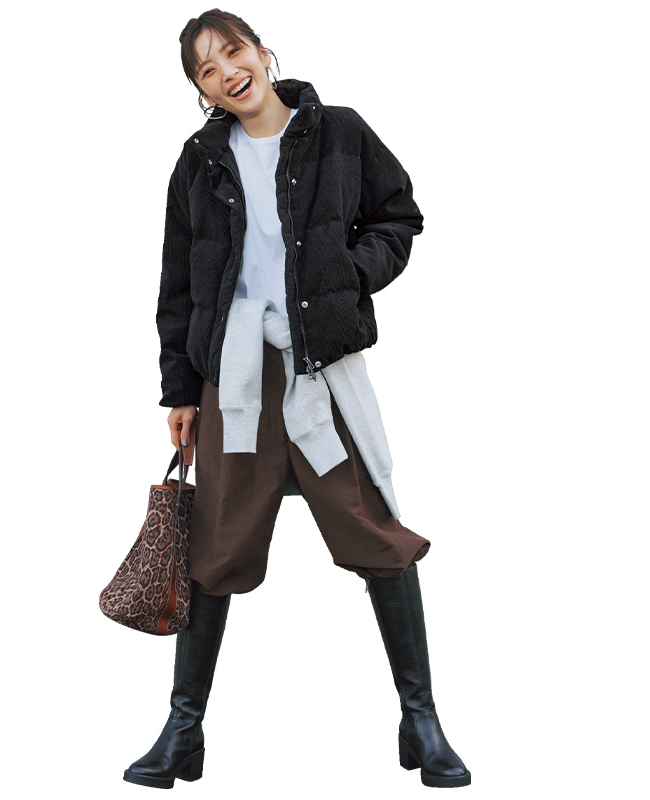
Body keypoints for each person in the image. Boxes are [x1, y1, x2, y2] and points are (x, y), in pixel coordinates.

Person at [123, 8, 471, 790]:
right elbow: (176, 282)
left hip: (320, 369)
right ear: (201, 90)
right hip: (234, 379)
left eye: (233, 52)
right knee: (214, 548)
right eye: (207, 70)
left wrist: (350, 275)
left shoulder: (338, 131)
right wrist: (180, 390)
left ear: (262, 51)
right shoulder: (198, 161)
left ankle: (421, 721)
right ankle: (183, 731)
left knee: (373, 532)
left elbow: (399, 215)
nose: (228, 73)